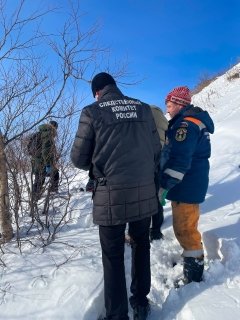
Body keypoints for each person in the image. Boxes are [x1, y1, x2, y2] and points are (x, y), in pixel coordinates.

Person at [71, 72, 161, 320]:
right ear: (114, 86)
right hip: (144, 191)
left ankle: (117, 314)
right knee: (141, 245)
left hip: (110, 194)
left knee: (113, 256)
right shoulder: (143, 109)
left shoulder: (92, 112)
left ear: (97, 92)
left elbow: (78, 159)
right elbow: (156, 151)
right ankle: (141, 303)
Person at [159, 86, 214, 285]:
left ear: (180, 104)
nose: (168, 109)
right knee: (185, 227)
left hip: (187, 186)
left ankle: (194, 276)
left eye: (170, 105)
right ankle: (193, 265)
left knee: (185, 229)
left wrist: (164, 184)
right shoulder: (190, 122)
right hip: (188, 185)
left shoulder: (186, 126)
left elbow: (180, 160)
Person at [149, 105, 168, 241]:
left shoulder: (142, 114)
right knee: (157, 194)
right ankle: (156, 228)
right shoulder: (161, 116)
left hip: (146, 157)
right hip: (160, 156)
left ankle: (147, 228)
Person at [28, 120, 59, 201]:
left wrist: (36, 157)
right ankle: (53, 192)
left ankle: (34, 198)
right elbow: (46, 151)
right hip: (43, 162)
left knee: (39, 179)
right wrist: (48, 164)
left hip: (35, 161)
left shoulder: (38, 134)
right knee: (54, 174)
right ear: (54, 128)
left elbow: (29, 148)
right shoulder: (48, 135)